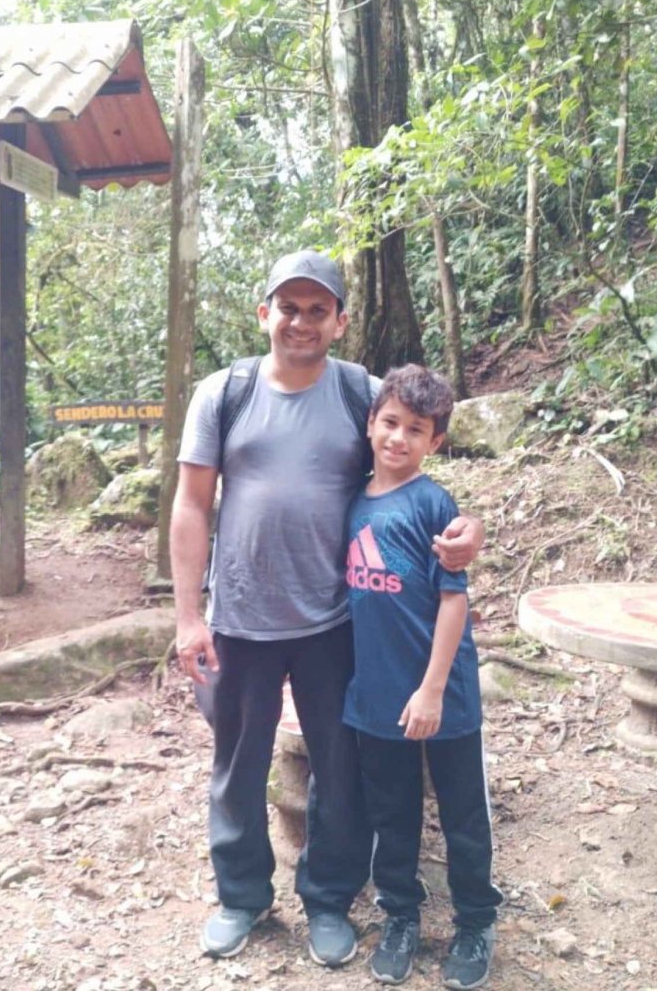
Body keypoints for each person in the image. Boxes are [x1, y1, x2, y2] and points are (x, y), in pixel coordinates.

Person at [169, 250, 482, 965]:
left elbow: (417, 459)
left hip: (336, 622)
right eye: (288, 307)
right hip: (240, 618)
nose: (301, 321)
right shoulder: (225, 392)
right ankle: (243, 895)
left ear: (341, 321)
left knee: (341, 767)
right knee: (237, 764)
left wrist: (471, 528)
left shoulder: (360, 394)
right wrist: (189, 616)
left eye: (318, 309)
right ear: (264, 313)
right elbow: (191, 505)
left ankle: (330, 897)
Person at [343, 364, 503, 989]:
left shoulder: (434, 503)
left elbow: (453, 598)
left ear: (434, 442)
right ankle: (400, 916)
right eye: (390, 423)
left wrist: (432, 687)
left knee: (463, 814)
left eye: (416, 429)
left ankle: (474, 921)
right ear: (370, 423)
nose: (398, 438)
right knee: (393, 812)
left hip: (445, 696)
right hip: (374, 695)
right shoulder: (352, 499)